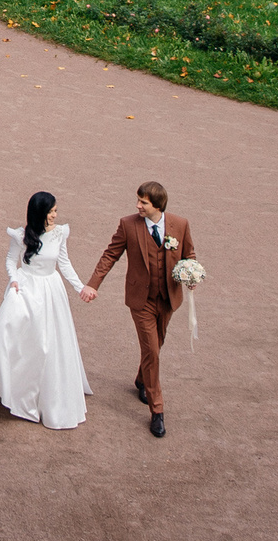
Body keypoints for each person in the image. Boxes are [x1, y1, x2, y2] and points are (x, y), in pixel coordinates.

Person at [0, 192, 91, 430]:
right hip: (26, 288)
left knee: (48, 343)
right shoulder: (21, 235)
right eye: (51, 211)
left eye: (56, 211)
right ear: (39, 213)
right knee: (11, 334)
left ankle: (45, 392)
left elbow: (64, 263)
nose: (55, 215)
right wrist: (13, 280)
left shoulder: (61, 233)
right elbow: (11, 260)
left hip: (51, 292)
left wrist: (81, 287)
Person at [84, 179, 197, 439]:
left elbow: (189, 256)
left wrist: (191, 273)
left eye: (143, 202)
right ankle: (157, 411)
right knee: (152, 351)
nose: (138, 206)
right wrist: (93, 285)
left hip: (168, 299)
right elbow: (110, 255)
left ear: (158, 205)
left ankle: (141, 380)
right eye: (138, 201)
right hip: (141, 300)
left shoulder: (180, 224)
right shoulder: (128, 225)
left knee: (157, 344)